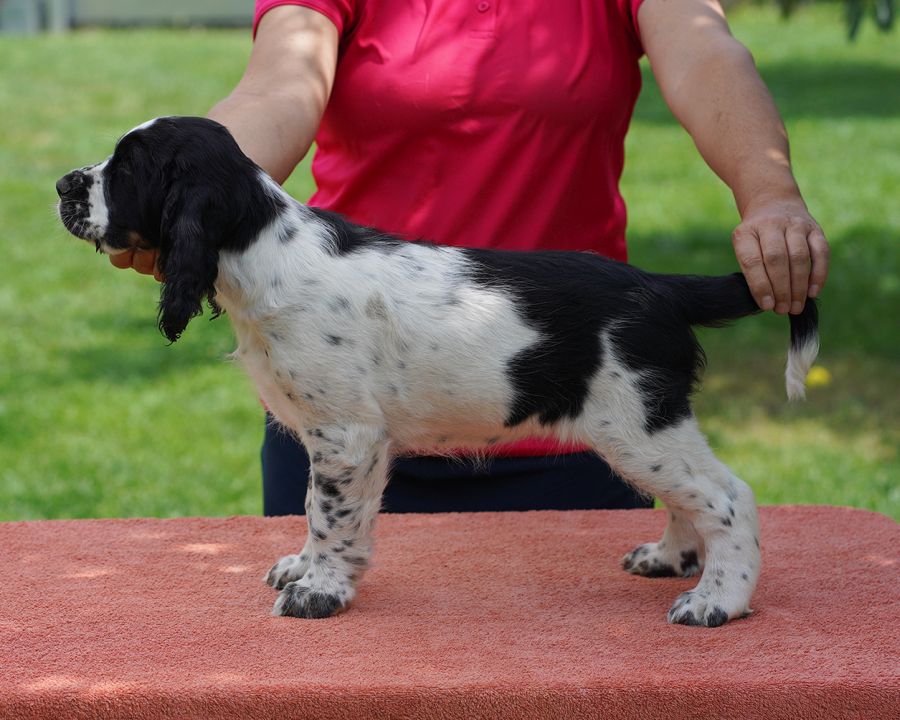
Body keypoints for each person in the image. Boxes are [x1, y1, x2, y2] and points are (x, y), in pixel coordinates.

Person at [111, 0, 829, 516]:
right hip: (346, 419)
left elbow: (707, 53)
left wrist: (769, 192)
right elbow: (278, 87)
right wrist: (189, 202)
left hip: (568, 408)